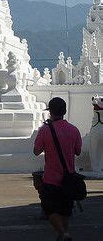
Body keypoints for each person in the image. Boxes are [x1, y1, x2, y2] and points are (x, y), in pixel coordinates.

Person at [33, 97, 82, 241]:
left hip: (51, 178)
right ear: (64, 111)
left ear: (50, 112)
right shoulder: (74, 130)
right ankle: (63, 233)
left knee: (49, 209)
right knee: (65, 210)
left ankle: (63, 233)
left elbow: (36, 151)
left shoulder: (44, 130)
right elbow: (78, 151)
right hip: (69, 178)